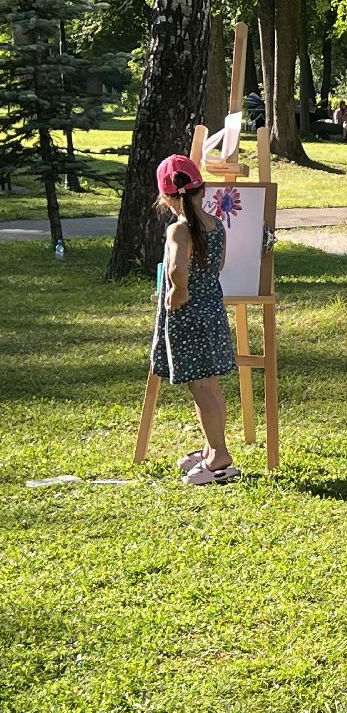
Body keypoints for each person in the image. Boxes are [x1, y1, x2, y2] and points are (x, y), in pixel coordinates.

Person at [151, 154, 240, 485]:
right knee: (212, 384)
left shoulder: (178, 230)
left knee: (200, 387)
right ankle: (211, 446)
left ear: (166, 196)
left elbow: (177, 268)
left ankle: (219, 454)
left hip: (188, 318)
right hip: (213, 314)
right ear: (202, 191)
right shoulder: (217, 225)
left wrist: (178, 291)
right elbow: (217, 267)